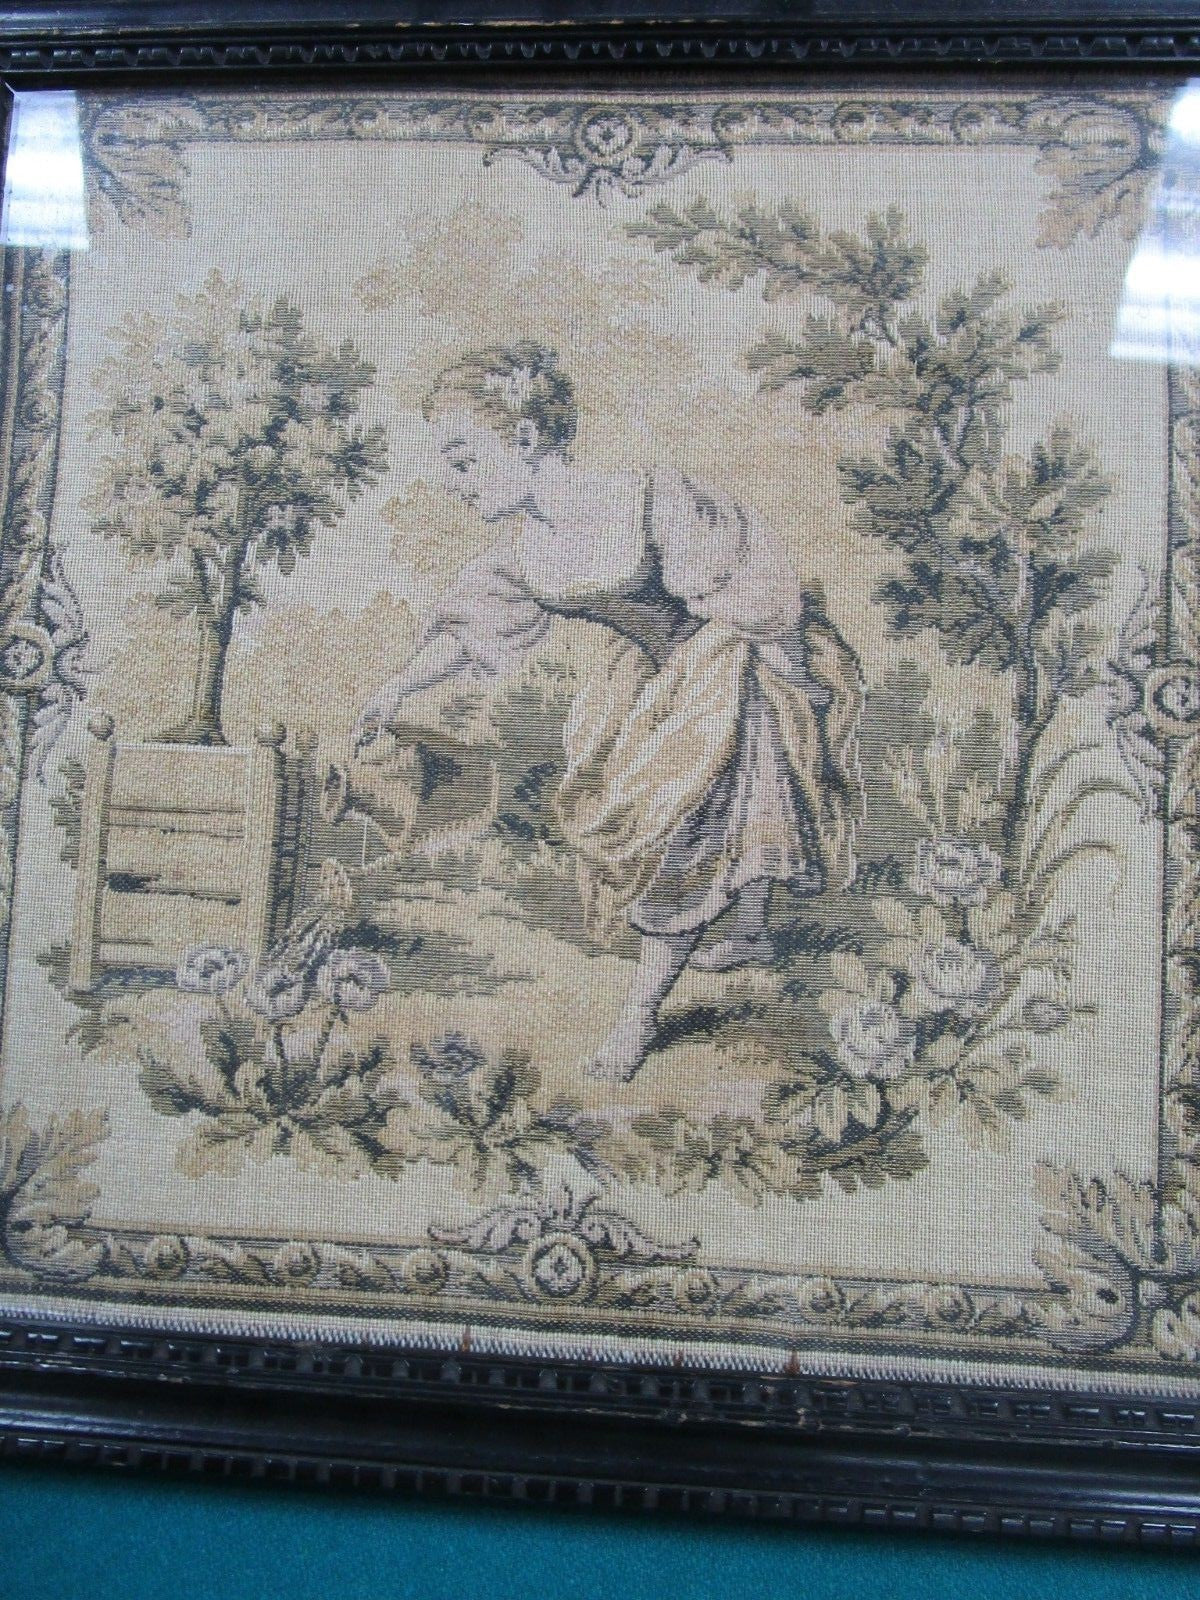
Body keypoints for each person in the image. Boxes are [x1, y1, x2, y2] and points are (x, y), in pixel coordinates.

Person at [355, 342, 864, 1081]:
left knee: (690, 822)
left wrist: (798, 687)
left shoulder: (648, 501)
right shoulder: (522, 553)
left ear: (525, 437)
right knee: (670, 806)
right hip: (657, 686)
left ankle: (639, 1015)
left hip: (737, 659)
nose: (454, 484)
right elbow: (468, 633)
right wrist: (396, 691)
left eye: (464, 461)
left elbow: (755, 590)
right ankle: (749, 923)